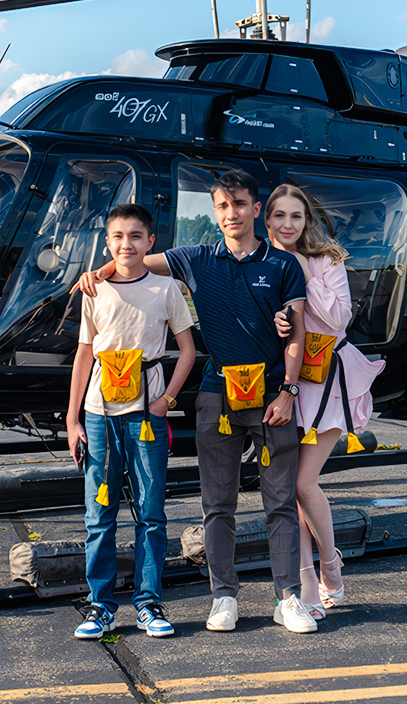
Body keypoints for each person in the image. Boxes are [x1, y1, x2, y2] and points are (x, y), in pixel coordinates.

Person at [76, 169, 316, 633]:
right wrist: (98, 272)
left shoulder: (284, 265)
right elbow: (135, 258)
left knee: (281, 501)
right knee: (217, 502)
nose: (232, 214)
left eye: (240, 205)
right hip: (216, 394)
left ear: (255, 209)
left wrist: (288, 391)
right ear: (215, 212)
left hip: (270, 395)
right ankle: (223, 595)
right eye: (223, 207)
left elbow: (297, 332)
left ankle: (287, 597)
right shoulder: (195, 258)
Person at [65, 203, 197, 640]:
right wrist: (73, 418)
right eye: (118, 237)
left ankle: (148, 602)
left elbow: (188, 349)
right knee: (99, 514)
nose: (127, 245)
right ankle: (100, 606)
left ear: (150, 242)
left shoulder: (166, 290)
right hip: (100, 416)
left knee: (151, 512)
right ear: (108, 243)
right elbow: (84, 355)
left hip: (146, 415)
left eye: (136, 236)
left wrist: (167, 400)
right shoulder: (94, 291)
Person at [266, 183, 385, 619]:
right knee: (286, 490)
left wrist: (301, 269)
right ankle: (307, 588)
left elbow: (337, 317)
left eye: (295, 216)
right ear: (268, 220)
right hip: (286, 383)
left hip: (328, 380)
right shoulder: (264, 263)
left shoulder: (324, 261)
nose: (287, 224)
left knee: (302, 483)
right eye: (279, 216)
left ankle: (331, 564)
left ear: (306, 221)